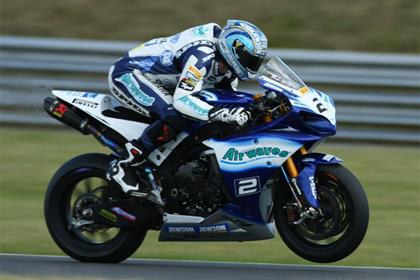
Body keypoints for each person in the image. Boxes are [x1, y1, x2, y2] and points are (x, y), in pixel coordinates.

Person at [107, 19, 268, 198]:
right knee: (176, 114)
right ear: (236, 52)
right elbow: (183, 100)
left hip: (163, 83)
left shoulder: (227, 70)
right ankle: (125, 163)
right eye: (251, 60)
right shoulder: (202, 55)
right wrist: (216, 113)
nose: (253, 65)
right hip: (130, 74)